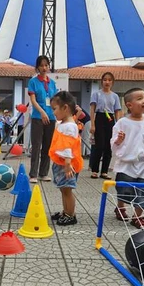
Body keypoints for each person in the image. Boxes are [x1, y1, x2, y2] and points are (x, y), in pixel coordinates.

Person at [110, 88, 144, 229]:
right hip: (126, 164)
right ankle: (120, 207)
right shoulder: (122, 123)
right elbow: (113, 144)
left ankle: (138, 216)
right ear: (129, 105)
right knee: (124, 189)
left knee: (143, 190)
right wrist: (118, 140)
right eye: (139, 98)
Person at [48, 91, 83, 226]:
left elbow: (68, 147)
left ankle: (70, 215)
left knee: (67, 190)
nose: (53, 112)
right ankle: (66, 211)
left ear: (65, 108)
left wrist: (68, 164)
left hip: (66, 164)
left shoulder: (69, 126)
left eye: (55, 109)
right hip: (61, 163)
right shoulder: (65, 123)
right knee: (64, 189)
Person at [28, 55, 57, 183]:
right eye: (41, 65)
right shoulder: (33, 82)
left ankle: (43, 173)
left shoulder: (52, 83)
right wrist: (42, 112)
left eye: (46, 65)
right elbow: (33, 100)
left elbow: (55, 101)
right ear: (37, 67)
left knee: (47, 146)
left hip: (51, 118)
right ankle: (33, 174)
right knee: (36, 145)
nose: (44, 68)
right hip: (38, 117)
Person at [89, 72, 122, 179]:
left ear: (112, 82)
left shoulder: (115, 96)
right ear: (101, 81)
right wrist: (92, 124)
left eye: (109, 80)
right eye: (105, 80)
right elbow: (92, 109)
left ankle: (104, 171)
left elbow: (117, 111)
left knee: (109, 146)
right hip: (99, 118)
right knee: (99, 145)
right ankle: (94, 170)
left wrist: (118, 125)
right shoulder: (96, 94)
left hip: (110, 120)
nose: (107, 82)